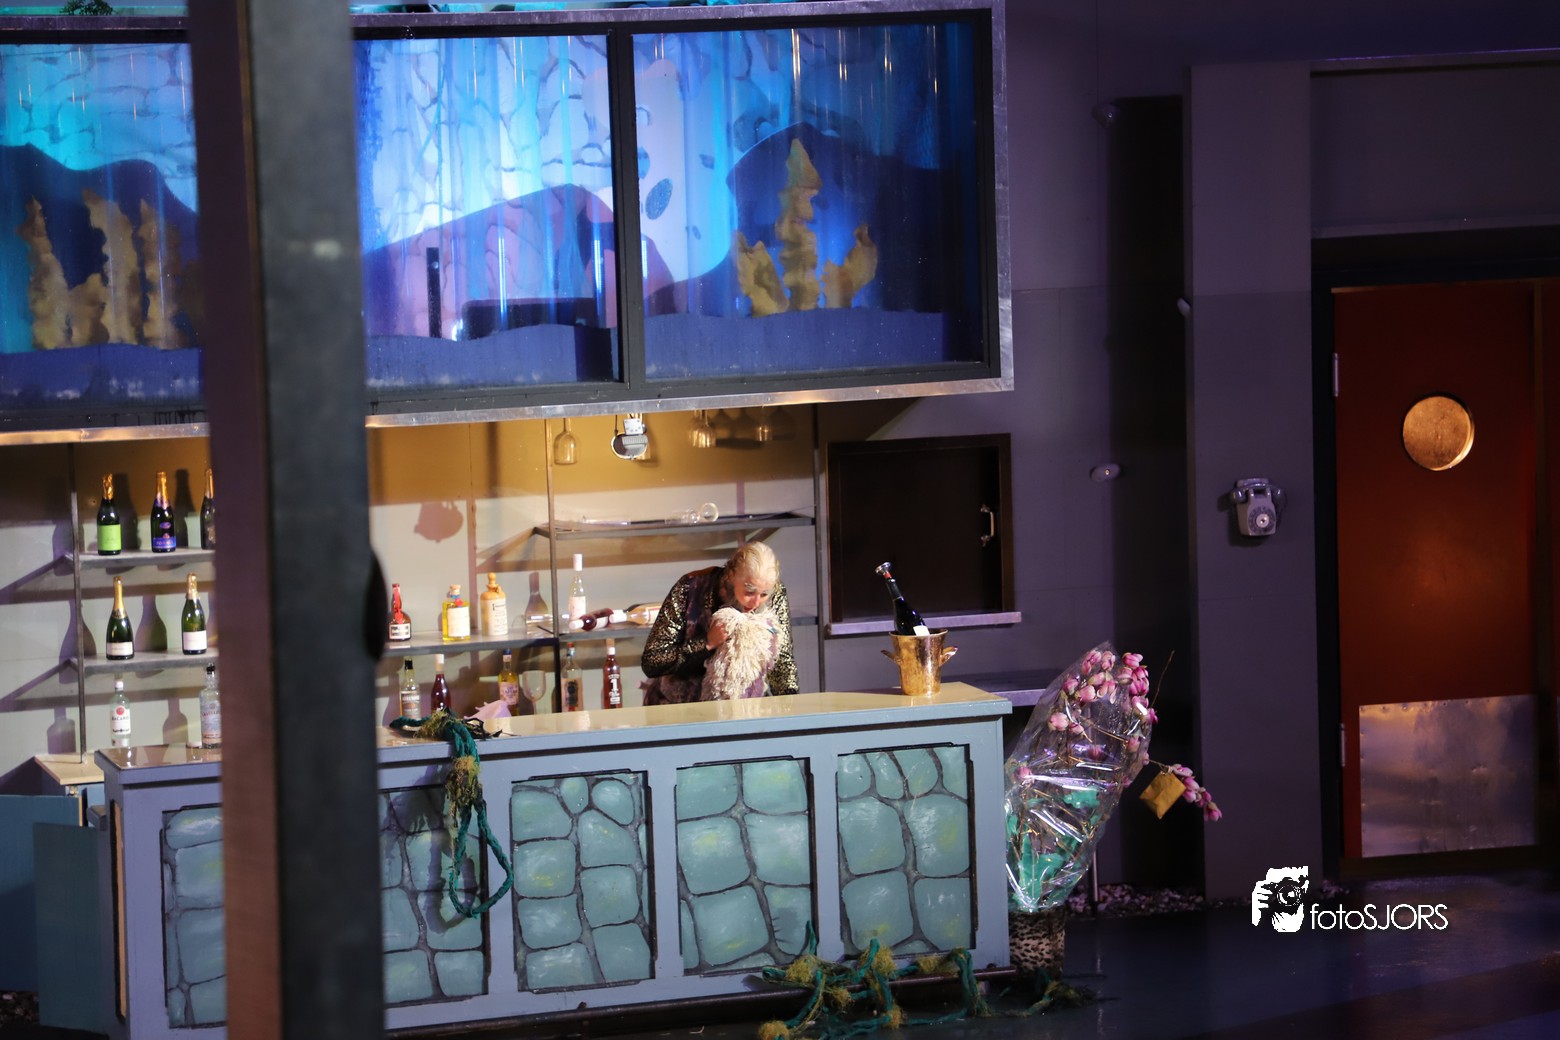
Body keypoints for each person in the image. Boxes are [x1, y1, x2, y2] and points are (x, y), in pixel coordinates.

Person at [640, 541, 798, 704]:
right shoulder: (691, 586)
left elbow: (782, 661)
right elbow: (653, 661)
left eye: (764, 594)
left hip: (747, 705)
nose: (756, 602)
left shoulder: (775, 594)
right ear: (731, 576)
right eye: (749, 591)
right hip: (682, 705)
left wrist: (791, 707)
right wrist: (705, 643)